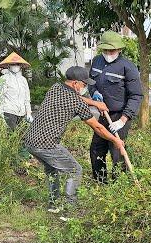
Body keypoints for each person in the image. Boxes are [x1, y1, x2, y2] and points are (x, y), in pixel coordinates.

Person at [22, 66, 125, 214]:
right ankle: (69, 211)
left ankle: (54, 205)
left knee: (52, 170)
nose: (85, 87)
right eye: (84, 85)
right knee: (75, 170)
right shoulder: (77, 103)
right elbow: (98, 128)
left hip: (31, 140)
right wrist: (115, 141)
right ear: (75, 83)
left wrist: (95, 103)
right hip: (46, 144)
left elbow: (77, 97)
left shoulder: (56, 87)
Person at [79, 31, 143, 183]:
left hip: (120, 115)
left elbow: (136, 96)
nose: (108, 53)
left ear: (119, 49)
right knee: (96, 148)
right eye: (105, 50)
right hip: (102, 114)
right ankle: (100, 182)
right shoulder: (96, 61)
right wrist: (94, 93)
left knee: (117, 151)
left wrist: (122, 120)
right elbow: (91, 83)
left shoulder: (128, 67)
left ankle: (118, 184)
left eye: (111, 50)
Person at [0, 52, 33, 130]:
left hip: (22, 113)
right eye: (13, 64)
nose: (15, 66)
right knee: (12, 136)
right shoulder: (4, 79)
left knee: (23, 136)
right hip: (9, 112)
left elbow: (27, 98)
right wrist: (0, 114)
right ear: (9, 65)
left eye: (17, 64)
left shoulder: (23, 80)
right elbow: (0, 97)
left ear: (20, 66)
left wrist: (28, 113)